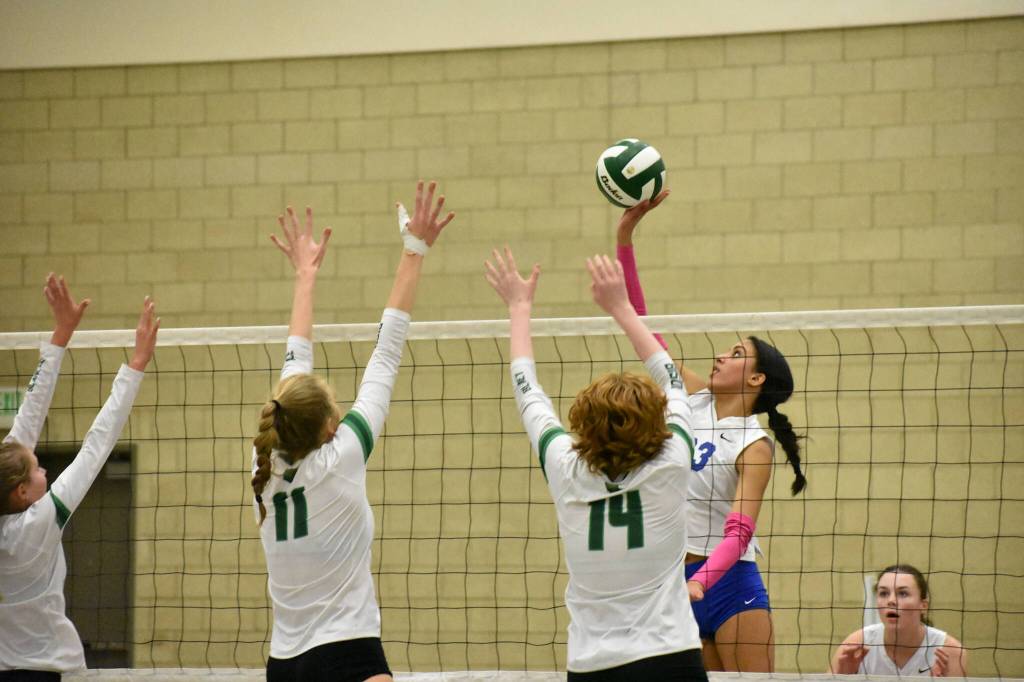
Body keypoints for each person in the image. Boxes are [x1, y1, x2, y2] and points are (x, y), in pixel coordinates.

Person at [253, 181, 453, 682]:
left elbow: (294, 368)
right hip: (346, 653)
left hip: (284, 662)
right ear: (328, 428)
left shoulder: (264, 461)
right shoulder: (340, 457)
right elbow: (385, 353)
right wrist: (414, 250)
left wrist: (306, 276)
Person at [485, 247, 707, 681]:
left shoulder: (563, 466)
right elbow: (672, 379)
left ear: (582, 422)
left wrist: (519, 308)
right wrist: (621, 308)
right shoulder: (673, 460)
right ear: (655, 419)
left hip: (594, 665)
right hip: (670, 657)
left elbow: (527, 391)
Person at [614, 191, 806, 672]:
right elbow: (645, 328)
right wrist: (625, 237)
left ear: (757, 379)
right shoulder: (689, 398)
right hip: (671, 582)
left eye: (737, 354)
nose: (722, 355)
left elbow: (739, 532)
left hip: (728, 585)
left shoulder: (754, 445)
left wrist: (703, 581)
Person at [0, 275, 160, 680]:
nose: (45, 469)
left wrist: (60, 335)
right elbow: (96, 447)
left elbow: (27, 419)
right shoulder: (40, 521)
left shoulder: (12, 500)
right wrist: (136, 366)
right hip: (51, 671)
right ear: (21, 492)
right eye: (37, 469)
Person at [831, 564, 967, 677]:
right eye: (883, 593)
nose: (891, 601)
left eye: (903, 593)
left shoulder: (949, 650)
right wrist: (842, 678)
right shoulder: (855, 644)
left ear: (923, 606)